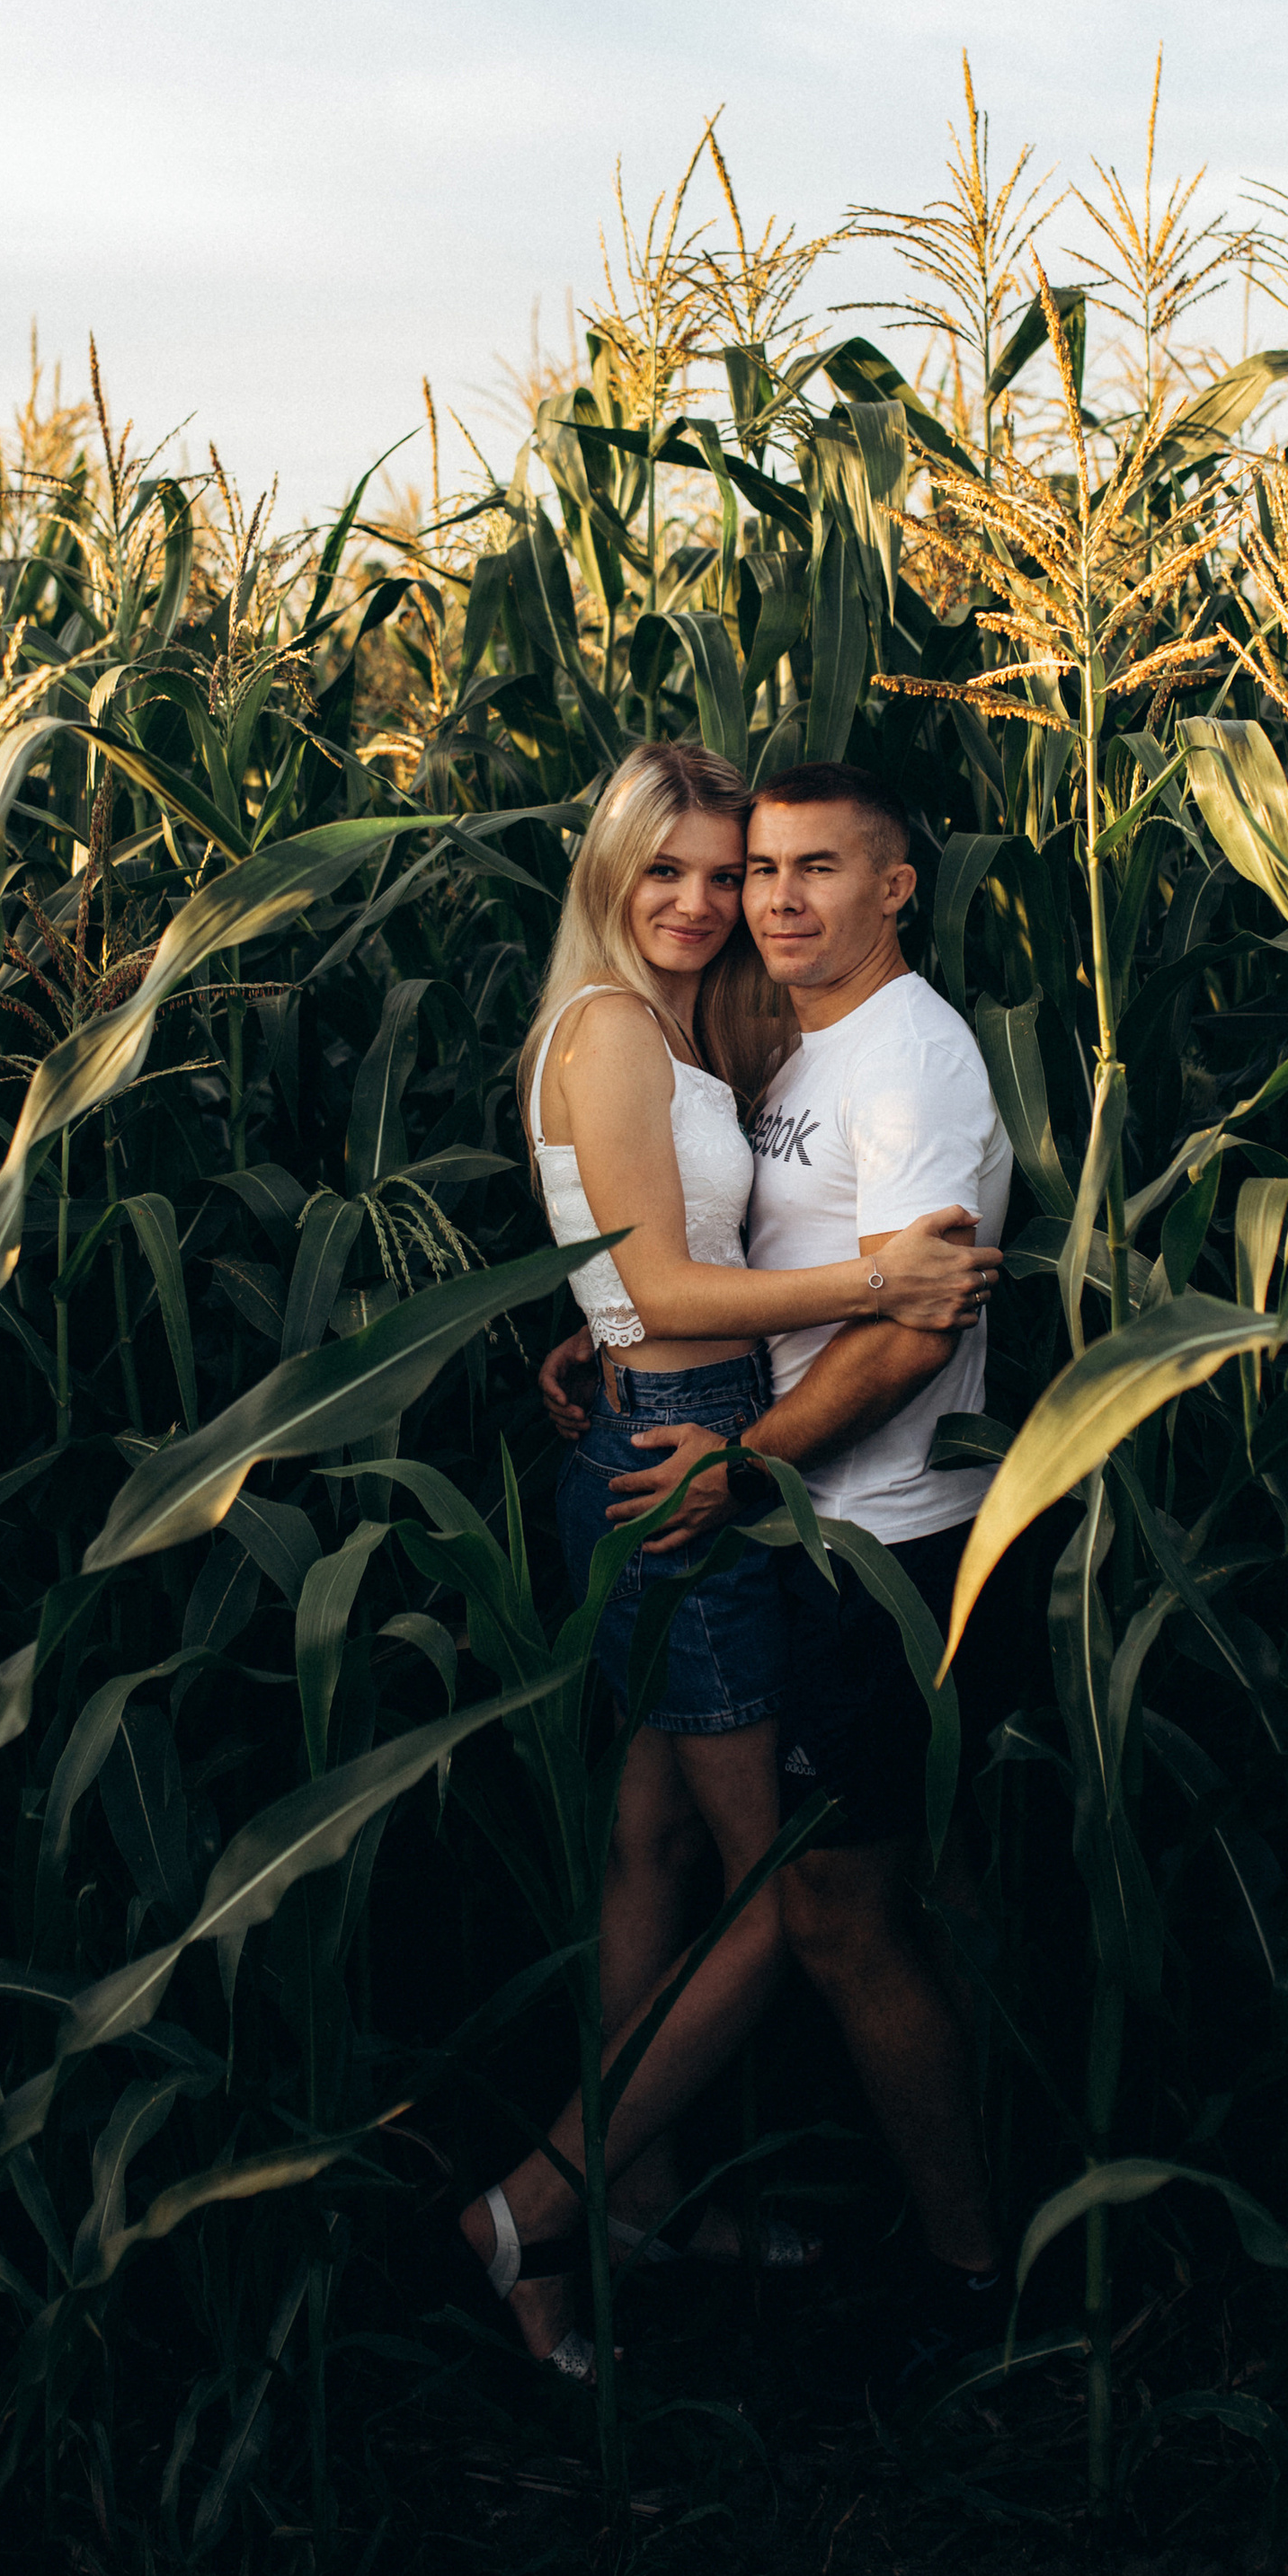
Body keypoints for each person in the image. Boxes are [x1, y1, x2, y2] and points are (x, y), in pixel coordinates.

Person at [452, 741, 999, 2378]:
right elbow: (671, 1280)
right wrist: (872, 1288)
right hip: (682, 1461)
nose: (715, 902)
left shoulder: (728, 1032)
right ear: (610, 874)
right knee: (782, 1892)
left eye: (743, 869)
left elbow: (647, 1257)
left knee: (657, 1855)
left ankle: (647, 2206)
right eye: (678, 871)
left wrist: (601, 1329)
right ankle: (534, 2210)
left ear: (889, 885)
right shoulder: (617, 1026)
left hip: (694, 1442)